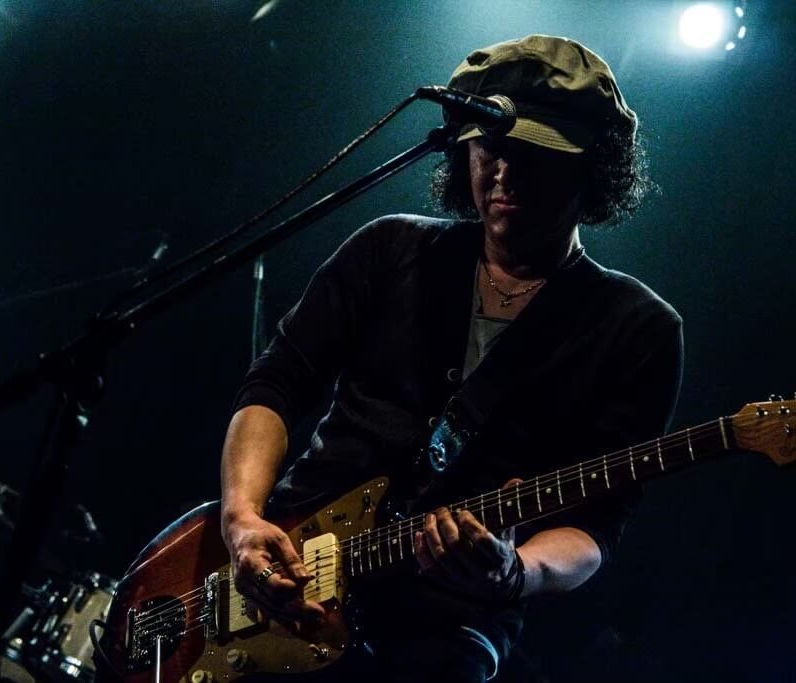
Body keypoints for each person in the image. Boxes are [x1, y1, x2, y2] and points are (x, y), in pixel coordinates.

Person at [219, 34, 683, 682]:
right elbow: (276, 383)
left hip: (443, 628)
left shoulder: (637, 329)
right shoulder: (389, 249)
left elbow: (595, 528)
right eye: (490, 148)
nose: (504, 173)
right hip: (287, 568)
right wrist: (241, 516)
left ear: (592, 166)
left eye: (534, 155)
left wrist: (518, 570)